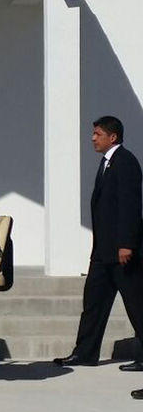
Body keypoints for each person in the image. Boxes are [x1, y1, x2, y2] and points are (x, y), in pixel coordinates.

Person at [55, 116, 143, 371]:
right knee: (93, 304)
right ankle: (85, 353)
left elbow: (130, 206)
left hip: (122, 253)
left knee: (137, 306)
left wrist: (127, 244)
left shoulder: (125, 163)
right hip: (103, 253)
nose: (93, 138)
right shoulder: (107, 163)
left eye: (98, 134)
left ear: (112, 137)